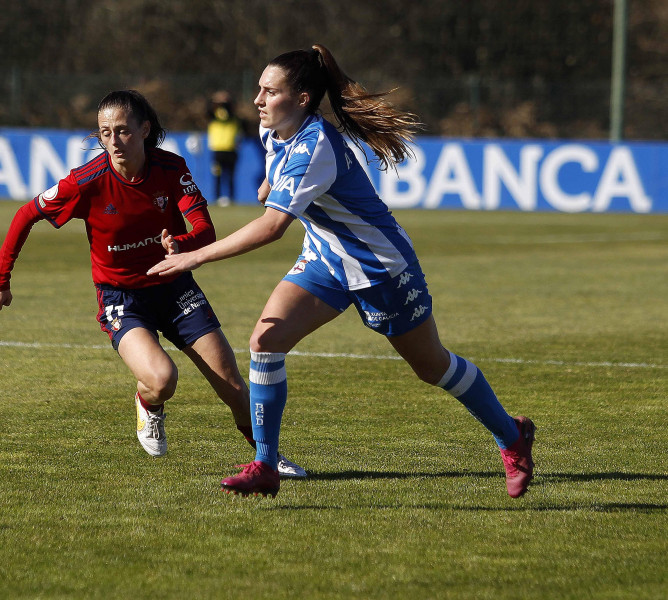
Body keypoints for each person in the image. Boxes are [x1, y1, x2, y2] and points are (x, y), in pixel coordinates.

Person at [148, 46, 536, 499]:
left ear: (304, 99)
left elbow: (273, 227)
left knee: (432, 366)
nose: (257, 99)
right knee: (265, 341)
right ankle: (266, 465)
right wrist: (273, 183)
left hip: (380, 267)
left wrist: (195, 256)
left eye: (270, 92)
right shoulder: (273, 127)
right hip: (326, 259)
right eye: (259, 88)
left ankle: (512, 437)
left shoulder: (316, 147)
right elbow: (272, 182)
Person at [0, 90, 305, 477]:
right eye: (105, 133)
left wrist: (180, 244)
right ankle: (149, 403)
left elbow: (205, 229)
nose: (114, 142)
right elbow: (25, 214)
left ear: (144, 129)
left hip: (175, 287)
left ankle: (268, 459)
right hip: (121, 297)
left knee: (233, 387)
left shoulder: (171, 169)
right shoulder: (87, 181)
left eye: (123, 131)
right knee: (162, 380)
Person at [206, 91, 243, 207]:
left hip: (231, 150)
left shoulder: (234, 117)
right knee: (217, 176)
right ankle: (217, 198)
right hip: (217, 151)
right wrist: (216, 99)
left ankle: (231, 199)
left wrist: (226, 100)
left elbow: (232, 108)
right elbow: (208, 109)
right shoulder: (213, 117)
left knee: (230, 176)